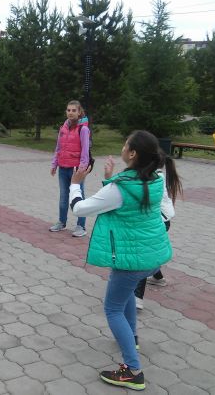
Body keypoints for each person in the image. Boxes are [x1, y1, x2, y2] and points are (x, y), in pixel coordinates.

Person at [69, 130, 182, 391]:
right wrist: (110, 179)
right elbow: (124, 199)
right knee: (127, 294)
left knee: (112, 309)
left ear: (132, 154)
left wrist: (76, 183)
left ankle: (133, 370)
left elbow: (80, 209)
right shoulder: (154, 178)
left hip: (132, 260)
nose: (122, 148)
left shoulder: (121, 187)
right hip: (152, 256)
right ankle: (132, 337)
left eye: (125, 145)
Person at [49, 100, 90, 237]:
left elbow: (85, 151)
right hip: (63, 168)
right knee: (63, 197)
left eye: (73, 110)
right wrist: (54, 164)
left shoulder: (83, 129)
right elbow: (58, 148)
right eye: (68, 110)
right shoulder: (63, 128)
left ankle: (81, 226)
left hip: (76, 170)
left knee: (79, 197)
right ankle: (62, 222)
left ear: (79, 112)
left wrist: (81, 169)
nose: (70, 113)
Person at [134, 169, 174, 310]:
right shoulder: (151, 173)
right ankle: (158, 277)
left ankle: (137, 297)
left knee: (143, 255)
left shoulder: (155, 176)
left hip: (158, 221)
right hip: (158, 220)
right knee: (147, 252)